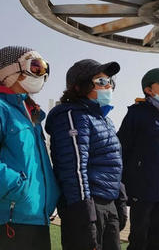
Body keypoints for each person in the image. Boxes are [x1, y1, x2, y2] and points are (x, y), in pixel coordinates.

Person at [45, 59, 124, 250]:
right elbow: (74, 168)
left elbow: (114, 162)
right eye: (100, 82)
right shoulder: (72, 116)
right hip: (86, 206)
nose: (108, 87)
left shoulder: (104, 120)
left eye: (109, 82)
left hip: (107, 204)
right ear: (79, 87)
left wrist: (120, 199)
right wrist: (85, 217)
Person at [0, 46, 60, 250]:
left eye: (45, 69)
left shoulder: (30, 114)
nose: (42, 74)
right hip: (12, 218)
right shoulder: (2, 108)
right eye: (36, 66)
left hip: (37, 217)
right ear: (9, 71)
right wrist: (17, 187)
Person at [117, 68, 159, 250]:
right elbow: (122, 148)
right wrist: (124, 185)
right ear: (148, 90)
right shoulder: (136, 114)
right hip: (142, 189)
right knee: (139, 239)